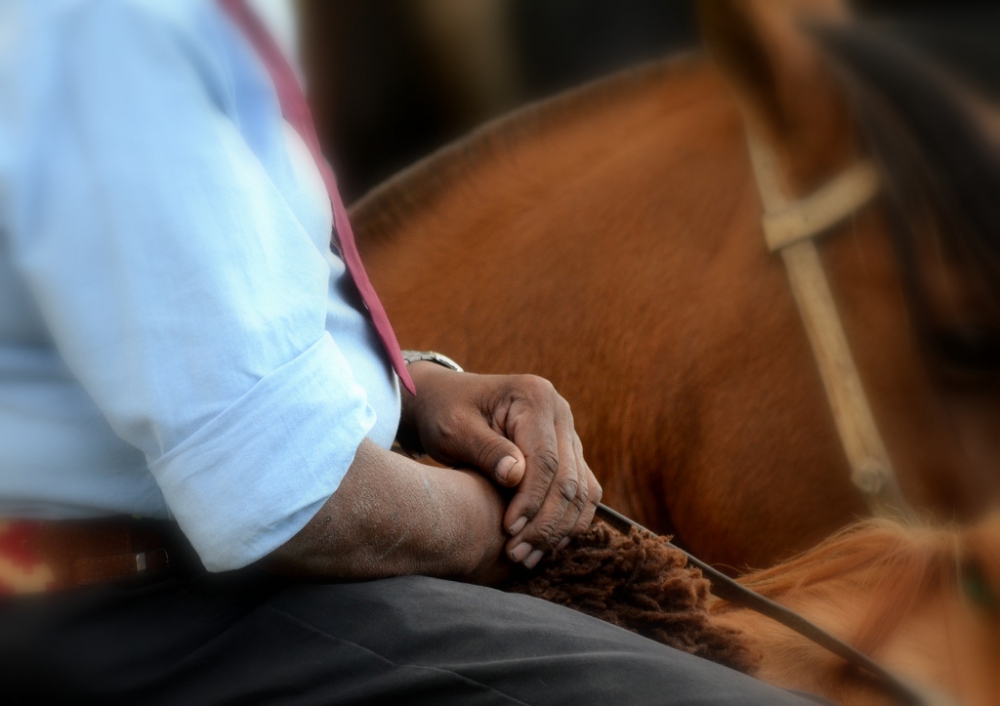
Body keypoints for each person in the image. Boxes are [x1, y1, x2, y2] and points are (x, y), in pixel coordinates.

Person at [0, 0, 824, 703]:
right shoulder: (115, 23)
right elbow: (285, 499)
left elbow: (220, 304)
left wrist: (414, 387)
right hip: (133, 609)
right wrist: (503, 523)